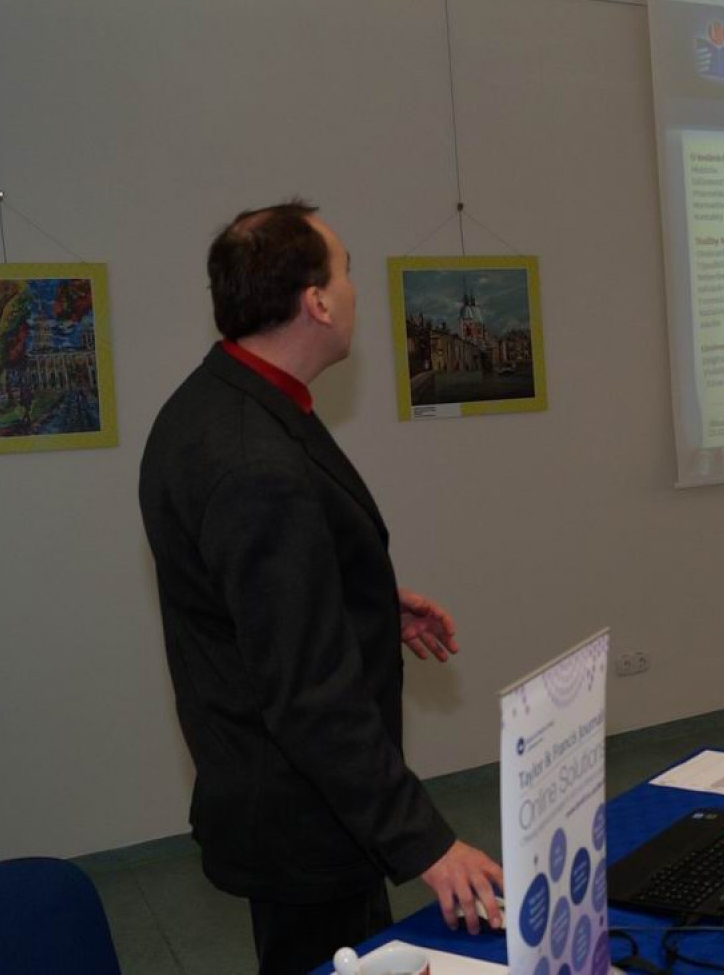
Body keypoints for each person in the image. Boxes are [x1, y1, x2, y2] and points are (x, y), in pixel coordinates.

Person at [139, 200, 503, 974]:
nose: (355, 289)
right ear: (318, 302)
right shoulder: (252, 459)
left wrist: (360, 597)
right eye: (346, 271)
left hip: (281, 787)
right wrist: (428, 845)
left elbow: (248, 591)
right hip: (302, 809)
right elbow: (307, 694)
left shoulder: (217, 400)